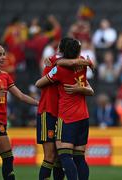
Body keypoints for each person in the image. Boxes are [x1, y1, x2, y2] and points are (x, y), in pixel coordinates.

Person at [36, 39, 94, 180]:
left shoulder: (59, 66)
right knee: (72, 157)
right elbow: (91, 90)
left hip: (66, 115)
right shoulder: (82, 63)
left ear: (62, 50)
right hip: (73, 114)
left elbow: (39, 83)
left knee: (61, 156)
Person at [0, 41, 39, 180]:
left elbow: (20, 95)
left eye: (4, 54)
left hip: (1, 120)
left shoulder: (5, 76)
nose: (3, 57)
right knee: (8, 157)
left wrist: (39, 103)